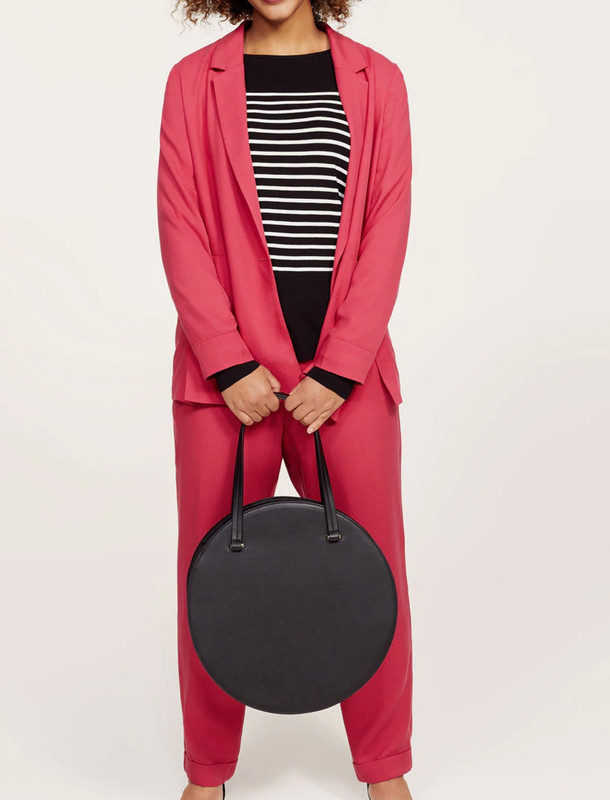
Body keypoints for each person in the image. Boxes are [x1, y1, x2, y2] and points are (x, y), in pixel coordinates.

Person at [157, 2, 414, 799]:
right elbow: (180, 224)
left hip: (345, 379)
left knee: (375, 572)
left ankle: (384, 768)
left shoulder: (379, 80)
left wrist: (339, 369)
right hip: (225, 384)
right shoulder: (193, 81)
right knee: (210, 574)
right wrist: (227, 361)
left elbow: (387, 224)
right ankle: (207, 772)